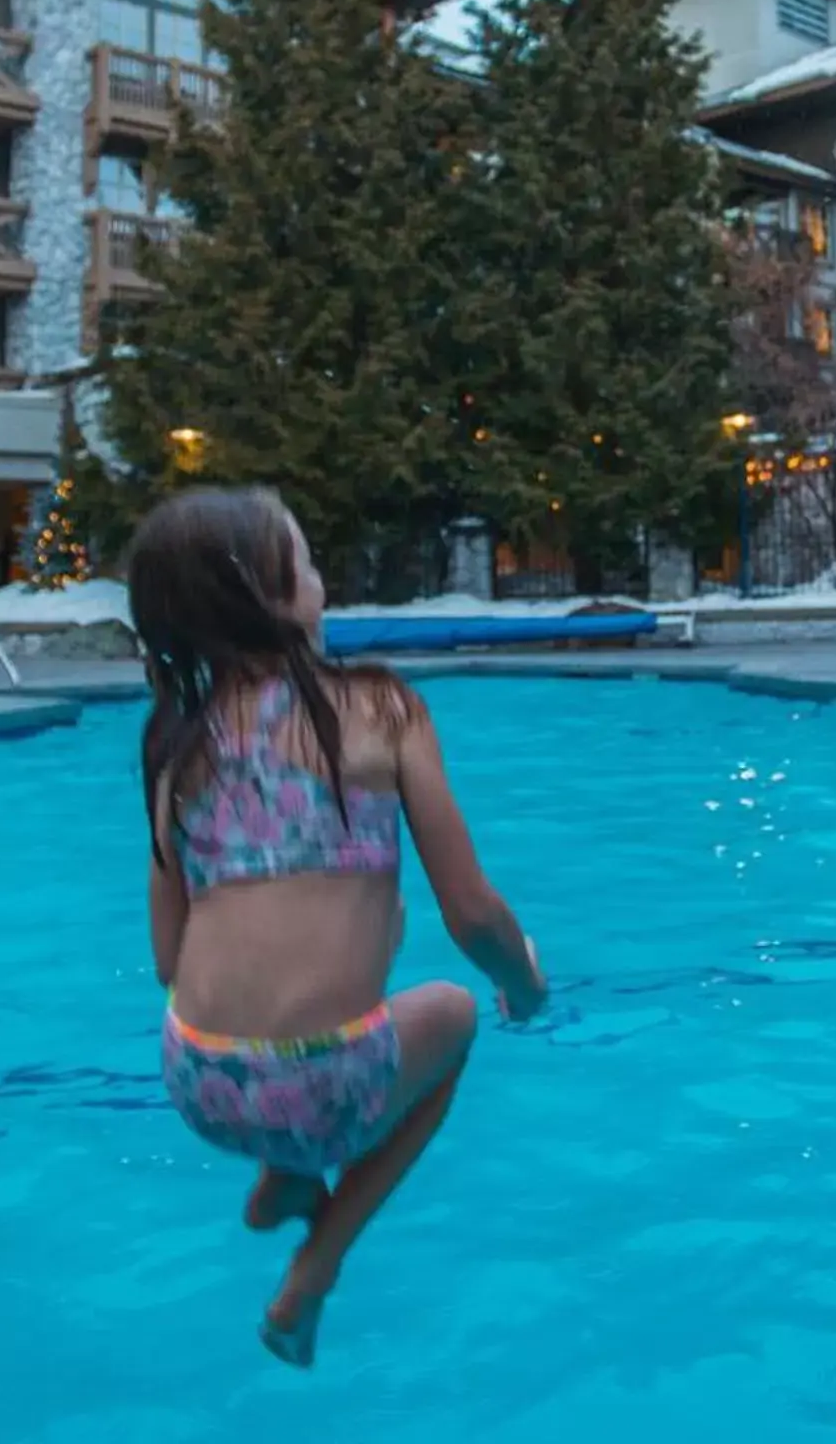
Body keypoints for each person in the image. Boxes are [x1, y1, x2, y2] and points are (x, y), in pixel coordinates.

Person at [129, 485, 546, 1368]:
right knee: (456, 1016)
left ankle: (285, 1176)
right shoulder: (380, 711)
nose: (321, 574)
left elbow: (170, 956)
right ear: (269, 595)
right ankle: (312, 1274)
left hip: (194, 1078)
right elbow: (471, 915)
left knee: (342, 995)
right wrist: (525, 985)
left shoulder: (174, 746)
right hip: (320, 1084)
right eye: (307, 559)